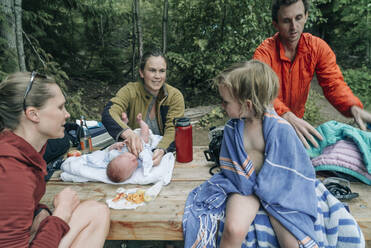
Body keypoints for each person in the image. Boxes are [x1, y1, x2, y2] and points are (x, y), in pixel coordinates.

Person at [182, 60, 364, 248]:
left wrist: (268, 190)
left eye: (226, 102)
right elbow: (232, 167)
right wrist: (251, 186)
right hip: (246, 186)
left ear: (247, 104)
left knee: (291, 242)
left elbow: (293, 170)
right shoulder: (231, 129)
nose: (222, 105)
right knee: (232, 230)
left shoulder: (280, 129)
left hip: (279, 190)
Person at [0, 72, 110, 247]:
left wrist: (40, 213)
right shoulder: (11, 173)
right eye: (60, 107)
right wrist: (61, 214)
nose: (67, 115)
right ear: (33, 114)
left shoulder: (23, 153)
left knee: (96, 211)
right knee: (94, 214)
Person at [253, 0, 371, 149]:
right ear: (275, 24)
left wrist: (353, 107)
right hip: (265, 124)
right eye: (286, 21)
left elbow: (333, 83)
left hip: (296, 123)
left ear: (306, 16)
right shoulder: (264, 53)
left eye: (298, 18)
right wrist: (285, 115)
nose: (294, 27)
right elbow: (261, 92)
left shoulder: (317, 48)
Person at [102, 49, 185, 166]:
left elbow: (173, 130)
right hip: (134, 154)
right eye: (152, 70)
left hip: (163, 154)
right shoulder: (130, 90)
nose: (157, 76)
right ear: (141, 72)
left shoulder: (174, 96)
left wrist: (161, 149)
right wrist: (129, 134)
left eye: (162, 71)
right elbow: (109, 112)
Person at [106, 113, 151, 183]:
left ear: (119, 157)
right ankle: (141, 122)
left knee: (121, 135)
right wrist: (146, 170)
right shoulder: (140, 159)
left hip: (126, 141)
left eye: (128, 158)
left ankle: (124, 123)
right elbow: (148, 161)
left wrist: (117, 145)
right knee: (145, 133)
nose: (133, 159)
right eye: (133, 164)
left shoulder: (114, 155)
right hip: (141, 144)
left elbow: (109, 149)